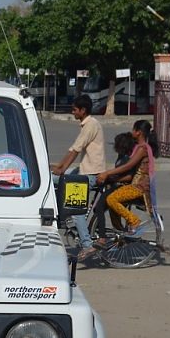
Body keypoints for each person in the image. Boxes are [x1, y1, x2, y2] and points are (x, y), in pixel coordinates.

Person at [50, 94, 106, 261]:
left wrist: (62, 169)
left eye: (75, 109)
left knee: (76, 210)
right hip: (84, 170)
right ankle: (65, 216)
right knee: (53, 179)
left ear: (83, 110)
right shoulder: (86, 124)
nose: (73, 112)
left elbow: (75, 151)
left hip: (90, 174)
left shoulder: (91, 125)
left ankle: (87, 244)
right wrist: (59, 167)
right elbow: (72, 149)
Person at [97, 119, 159, 235]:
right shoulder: (139, 147)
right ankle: (120, 235)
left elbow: (128, 166)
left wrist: (107, 173)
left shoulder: (142, 149)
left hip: (139, 187)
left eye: (133, 130)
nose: (132, 132)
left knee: (111, 199)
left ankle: (134, 221)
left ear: (139, 132)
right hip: (135, 185)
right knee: (112, 207)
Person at [92, 132, 137, 247]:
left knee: (99, 207)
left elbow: (128, 176)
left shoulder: (128, 158)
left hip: (120, 187)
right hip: (114, 185)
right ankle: (117, 234)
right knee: (99, 210)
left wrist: (111, 178)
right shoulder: (121, 157)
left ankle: (102, 237)